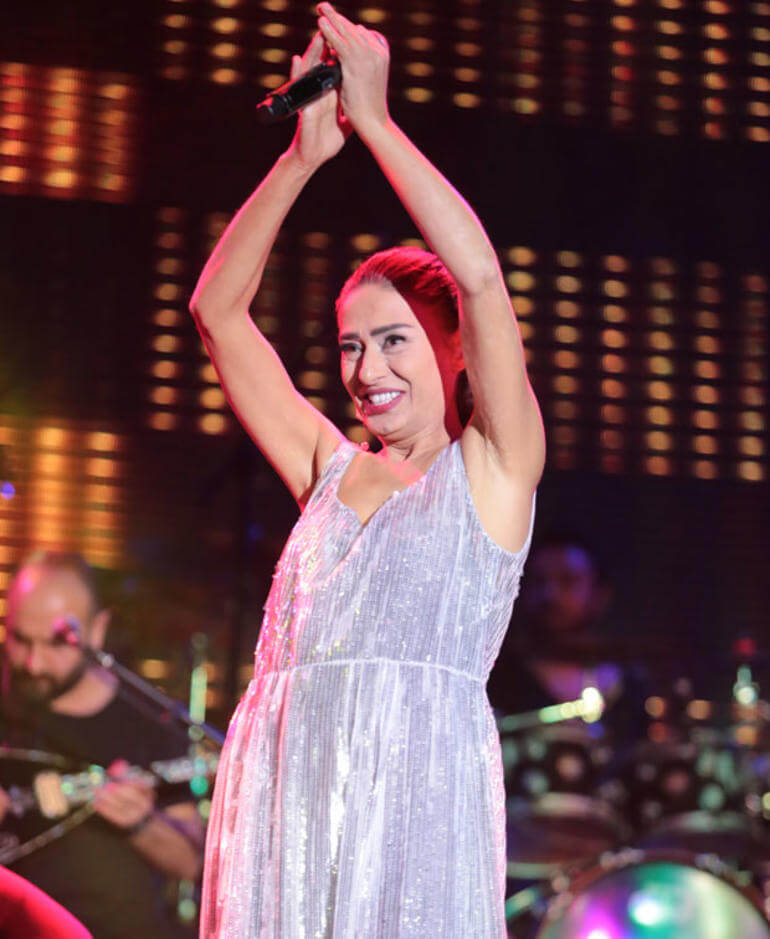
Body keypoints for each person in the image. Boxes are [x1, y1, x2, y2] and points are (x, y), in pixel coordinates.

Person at [190, 4, 544, 935]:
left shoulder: (495, 469)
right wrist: (302, 158)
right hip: (283, 806)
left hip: (411, 816)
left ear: (457, 350)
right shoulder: (326, 466)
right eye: (351, 344)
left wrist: (377, 125)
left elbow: (480, 278)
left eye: (393, 340)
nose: (365, 368)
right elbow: (218, 312)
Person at [0, 551, 205, 939]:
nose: (33, 663)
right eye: (20, 640)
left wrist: (143, 823)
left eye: (56, 644)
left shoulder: (150, 719)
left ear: (97, 630)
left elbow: (190, 863)